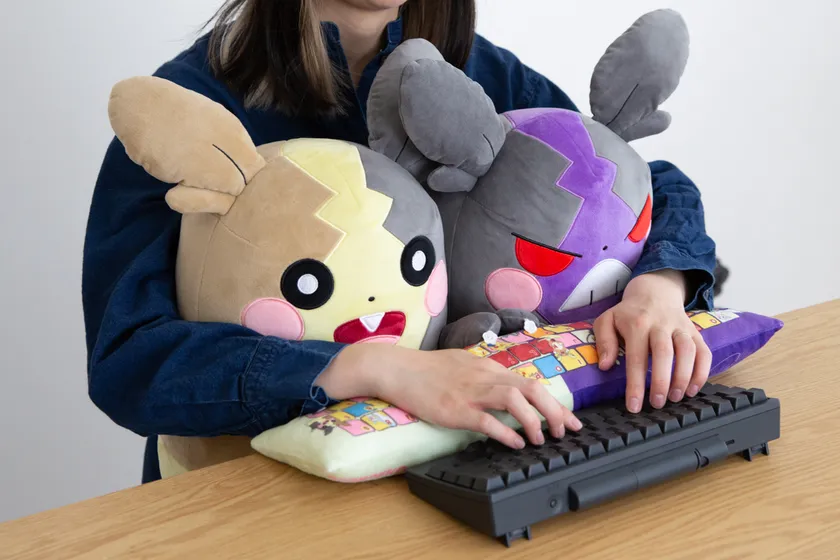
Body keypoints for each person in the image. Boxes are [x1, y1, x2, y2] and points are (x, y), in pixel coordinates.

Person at [82, 0, 718, 483]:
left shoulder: (482, 75)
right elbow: (131, 361)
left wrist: (659, 287)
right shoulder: (193, 110)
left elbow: (631, 184)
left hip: (454, 470)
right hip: (245, 490)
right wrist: (373, 366)